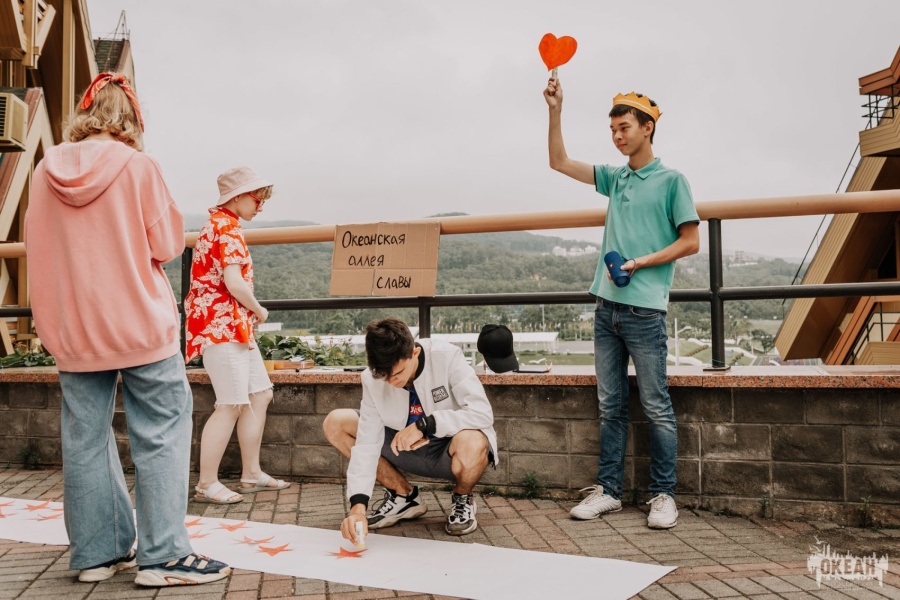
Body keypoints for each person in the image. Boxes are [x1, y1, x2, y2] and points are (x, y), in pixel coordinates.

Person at [24, 72, 230, 586]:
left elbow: (37, 249)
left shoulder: (44, 171)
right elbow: (167, 245)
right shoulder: (139, 166)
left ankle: (98, 554)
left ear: (85, 113)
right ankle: (163, 557)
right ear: (133, 119)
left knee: (85, 439)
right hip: (138, 324)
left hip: (74, 329)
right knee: (161, 432)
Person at [544, 79, 700, 529]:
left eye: (625, 128)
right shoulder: (617, 178)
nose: (617, 136)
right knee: (610, 406)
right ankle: (609, 492)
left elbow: (690, 242)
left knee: (656, 406)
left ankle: (664, 495)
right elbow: (558, 162)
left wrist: (640, 261)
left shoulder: (672, 181)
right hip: (606, 308)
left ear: (647, 128)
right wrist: (556, 109)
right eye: (612, 130)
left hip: (645, 311)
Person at [324, 317, 498, 540]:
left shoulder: (447, 356)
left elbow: (482, 413)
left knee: (474, 441)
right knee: (336, 422)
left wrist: (426, 425)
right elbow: (367, 443)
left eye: (397, 373)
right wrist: (358, 508)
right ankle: (404, 497)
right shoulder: (372, 378)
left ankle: (462, 498)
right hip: (402, 449)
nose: (391, 382)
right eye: (384, 375)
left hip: (447, 450)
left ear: (414, 353)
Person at [184, 166, 290, 504]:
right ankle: (206, 483)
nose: (260, 206)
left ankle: (251, 473)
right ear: (238, 196)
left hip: (228, 326)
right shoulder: (227, 228)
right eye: (258, 199)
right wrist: (260, 310)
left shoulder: (218, 224)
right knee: (230, 404)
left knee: (259, 394)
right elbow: (234, 282)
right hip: (223, 326)